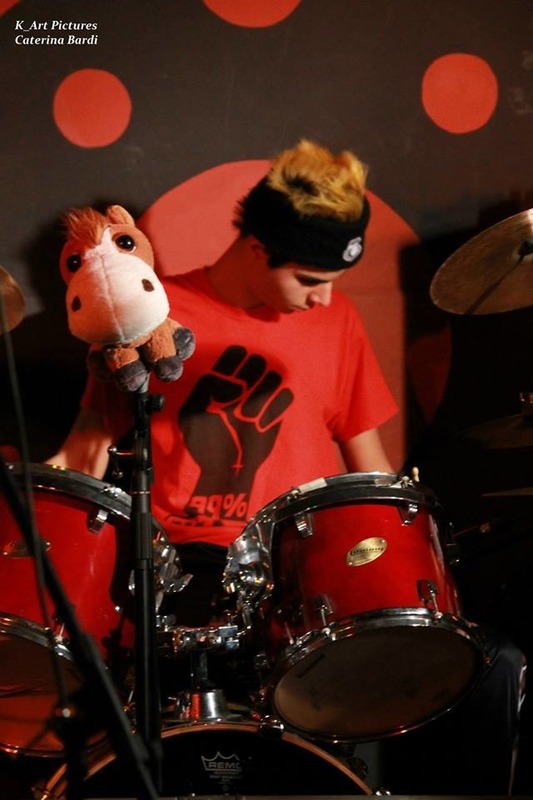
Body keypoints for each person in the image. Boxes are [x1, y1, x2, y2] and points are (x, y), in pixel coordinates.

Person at [47, 139, 524, 795]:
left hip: (298, 582)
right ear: (255, 248)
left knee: (490, 669)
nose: (323, 300)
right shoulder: (147, 310)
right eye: (308, 279)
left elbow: (374, 479)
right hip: (179, 577)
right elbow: (82, 452)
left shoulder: (338, 322)